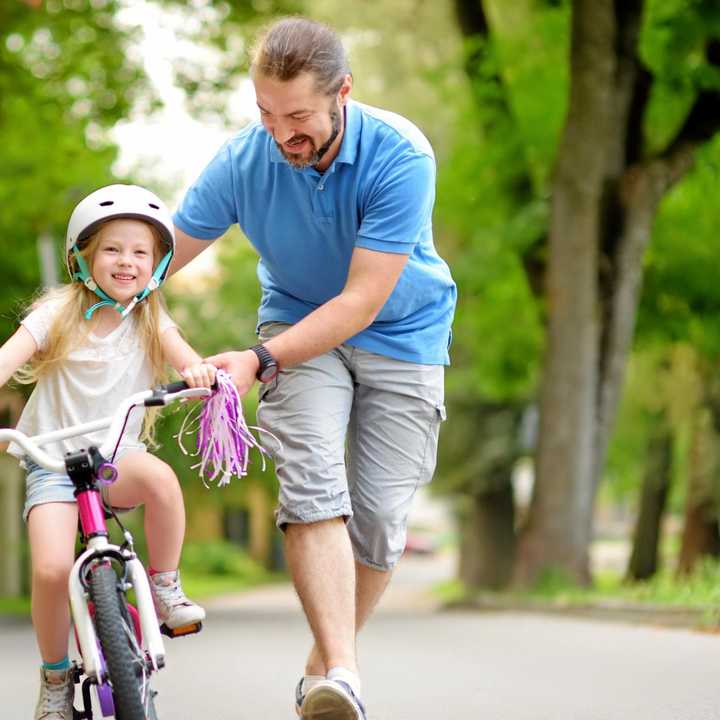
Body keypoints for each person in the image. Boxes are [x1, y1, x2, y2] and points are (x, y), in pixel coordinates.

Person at [169, 17, 456, 720]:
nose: (280, 133)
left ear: (343, 94)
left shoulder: (399, 154)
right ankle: (345, 674)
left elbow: (361, 299)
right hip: (296, 325)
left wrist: (257, 359)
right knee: (312, 483)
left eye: (297, 116)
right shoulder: (244, 161)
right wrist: (89, 295)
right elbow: (159, 257)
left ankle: (322, 667)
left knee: (383, 520)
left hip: (403, 331)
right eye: (266, 113)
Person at [0, 184, 217, 720]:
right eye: (113, 249)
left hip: (116, 457)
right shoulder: (57, 314)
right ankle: (54, 677)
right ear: (84, 257)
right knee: (48, 570)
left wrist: (199, 372)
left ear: (157, 265)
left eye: (141, 252)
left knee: (161, 480)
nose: (127, 261)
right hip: (51, 463)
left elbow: (188, 361)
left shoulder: (151, 318)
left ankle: (164, 587)